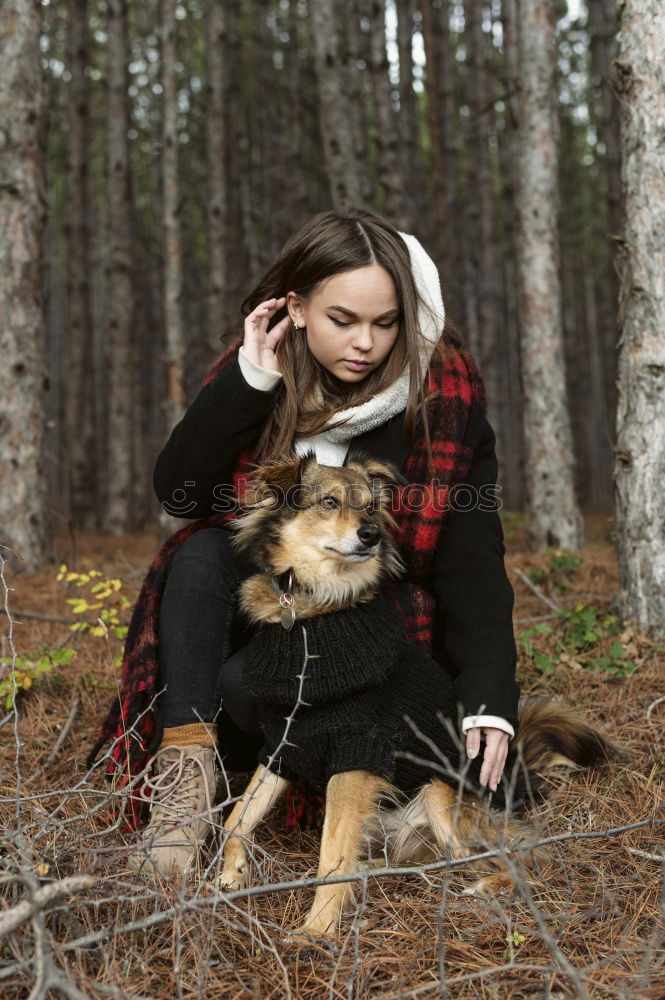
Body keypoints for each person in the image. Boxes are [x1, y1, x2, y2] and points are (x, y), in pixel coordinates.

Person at [88, 207, 520, 876]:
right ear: (294, 306)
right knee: (200, 553)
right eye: (342, 320)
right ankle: (182, 792)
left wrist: (488, 695)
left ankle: (344, 784)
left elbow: (471, 561)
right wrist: (248, 383)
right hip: (257, 617)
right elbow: (181, 495)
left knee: (243, 684)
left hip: (366, 634)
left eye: (386, 324)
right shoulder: (258, 369)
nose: (365, 345)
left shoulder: (442, 395)